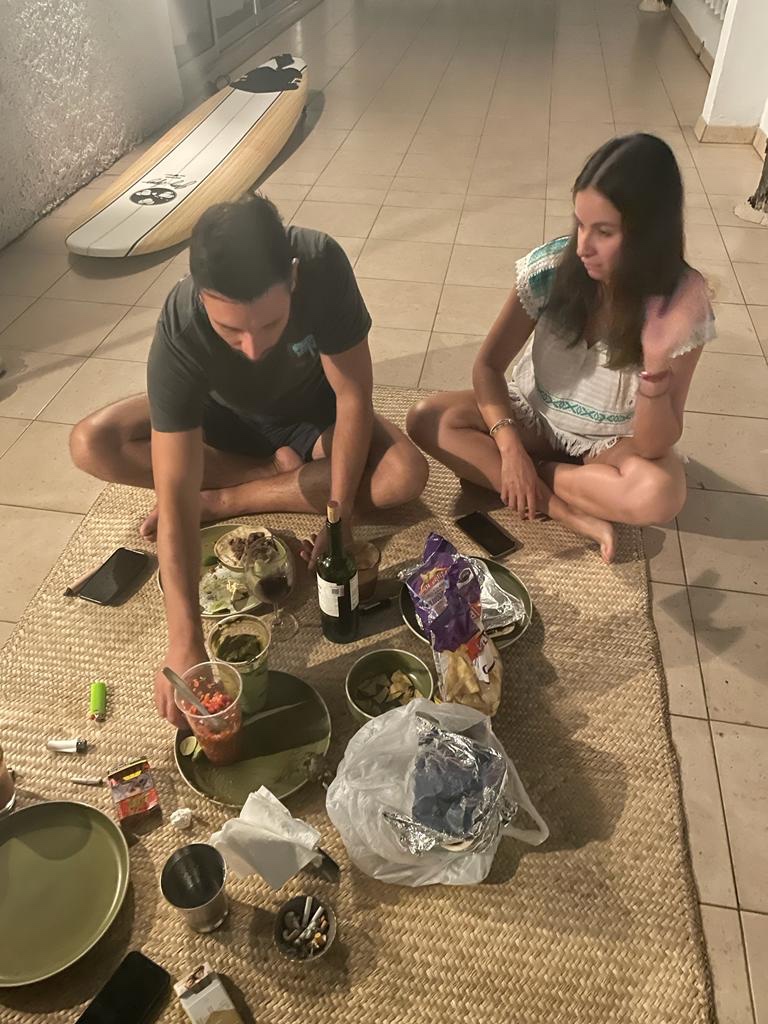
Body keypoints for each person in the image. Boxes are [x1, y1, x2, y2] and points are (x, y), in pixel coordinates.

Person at [70, 195, 428, 725]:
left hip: (312, 419)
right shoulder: (181, 325)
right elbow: (174, 494)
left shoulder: (321, 262)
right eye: (230, 331)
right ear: (201, 297)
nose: (253, 348)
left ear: (293, 276)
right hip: (219, 418)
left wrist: (339, 521)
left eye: (269, 324)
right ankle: (273, 474)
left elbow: (353, 396)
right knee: (91, 442)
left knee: (406, 474)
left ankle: (227, 497)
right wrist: (185, 641)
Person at [407, 133, 714, 563]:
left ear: (649, 234)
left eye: (603, 232)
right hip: (533, 417)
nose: (583, 246)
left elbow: (651, 445)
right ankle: (561, 506)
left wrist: (656, 364)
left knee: (659, 495)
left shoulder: (681, 306)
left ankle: (528, 479)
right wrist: (510, 448)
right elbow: (487, 367)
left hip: (609, 446)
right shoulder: (551, 269)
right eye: (580, 224)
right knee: (428, 418)